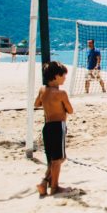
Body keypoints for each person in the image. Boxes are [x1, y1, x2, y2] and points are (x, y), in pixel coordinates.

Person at [34, 61, 73, 197]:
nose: (65, 78)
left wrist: (48, 103)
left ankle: (45, 183)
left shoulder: (42, 90)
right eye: (63, 76)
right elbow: (70, 110)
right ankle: (54, 187)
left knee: (52, 159)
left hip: (48, 126)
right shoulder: (61, 93)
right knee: (59, 159)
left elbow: (37, 103)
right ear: (56, 76)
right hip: (58, 126)